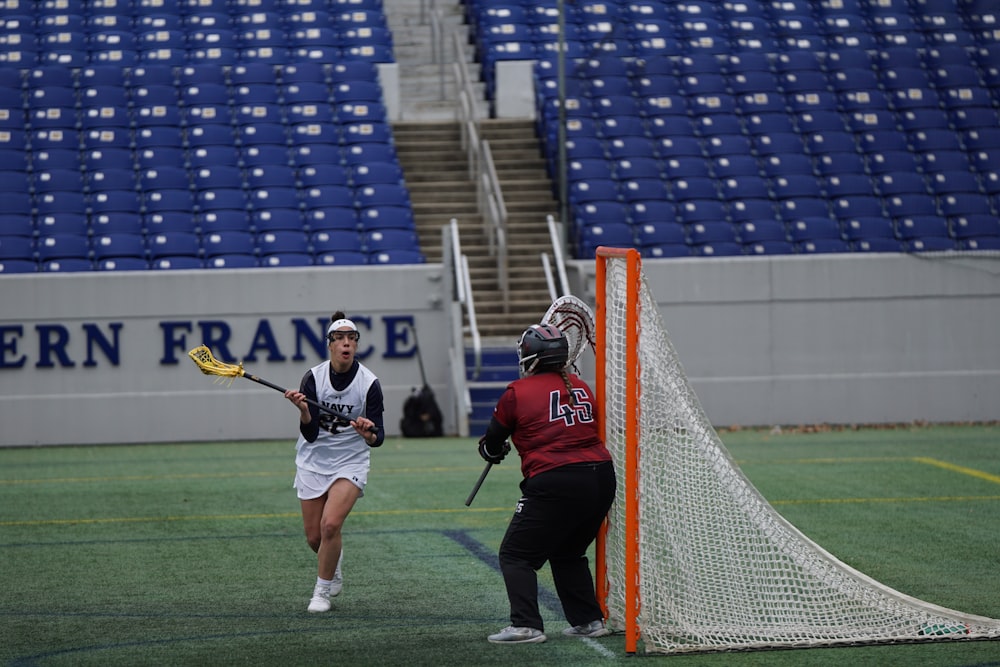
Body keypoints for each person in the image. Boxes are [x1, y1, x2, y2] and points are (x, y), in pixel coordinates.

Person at [477, 323, 617, 644]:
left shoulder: (517, 391)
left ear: (531, 356)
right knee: (568, 552)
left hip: (557, 479)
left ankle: (526, 625)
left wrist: (492, 449)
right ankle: (588, 620)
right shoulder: (580, 385)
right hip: (601, 477)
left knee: (515, 555)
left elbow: (493, 439)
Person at [284, 311, 385, 613]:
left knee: (330, 526)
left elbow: (378, 437)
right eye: (339, 339)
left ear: (356, 345)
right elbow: (311, 433)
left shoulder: (369, 384)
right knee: (316, 538)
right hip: (313, 460)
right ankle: (334, 562)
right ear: (329, 345)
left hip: (350, 462)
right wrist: (303, 411)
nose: (345, 344)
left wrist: (368, 433)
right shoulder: (313, 378)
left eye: (351, 339)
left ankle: (321, 593)